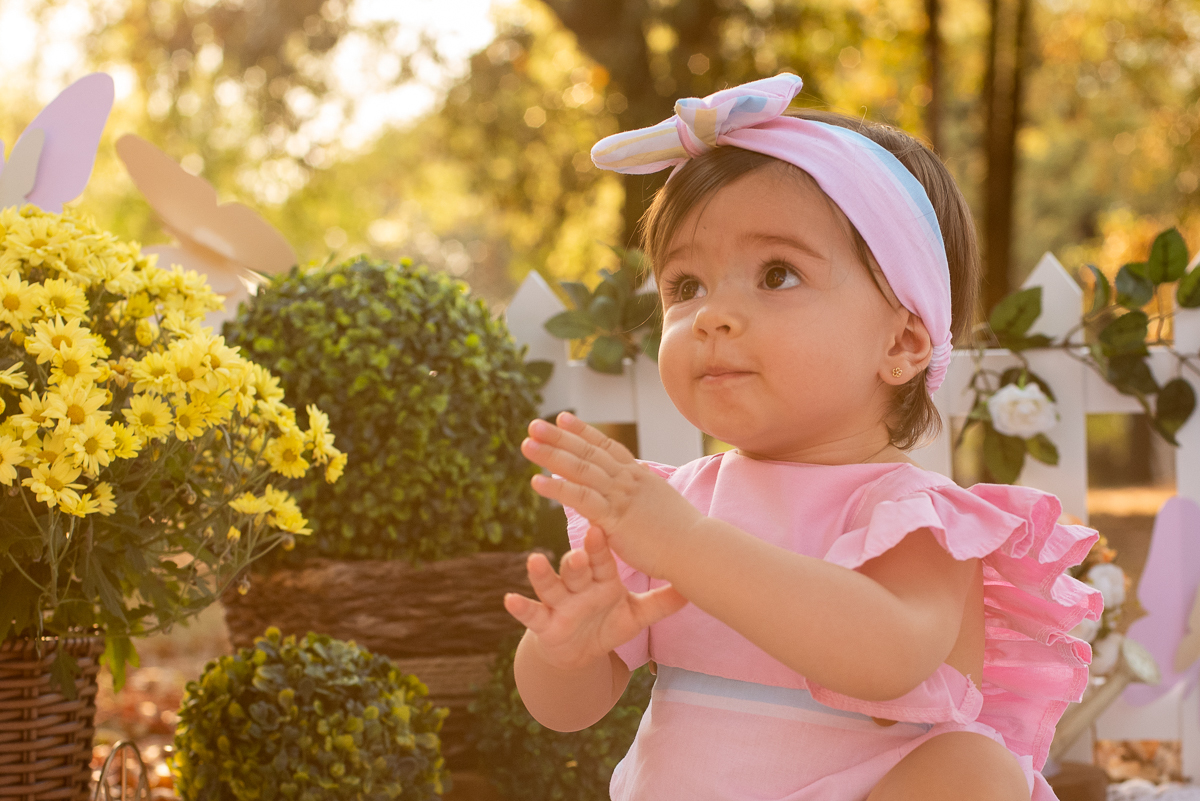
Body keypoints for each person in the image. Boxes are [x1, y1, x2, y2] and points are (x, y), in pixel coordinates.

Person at [502, 73, 1101, 801]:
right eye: (685, 286)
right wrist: (567, 652)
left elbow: (887, 657)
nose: (713, 314)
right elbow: (566, 711)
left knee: (977, 772)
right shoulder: (672, 503)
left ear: (904, 341)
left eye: (776, 274)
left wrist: (685, 544)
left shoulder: (916, 516)